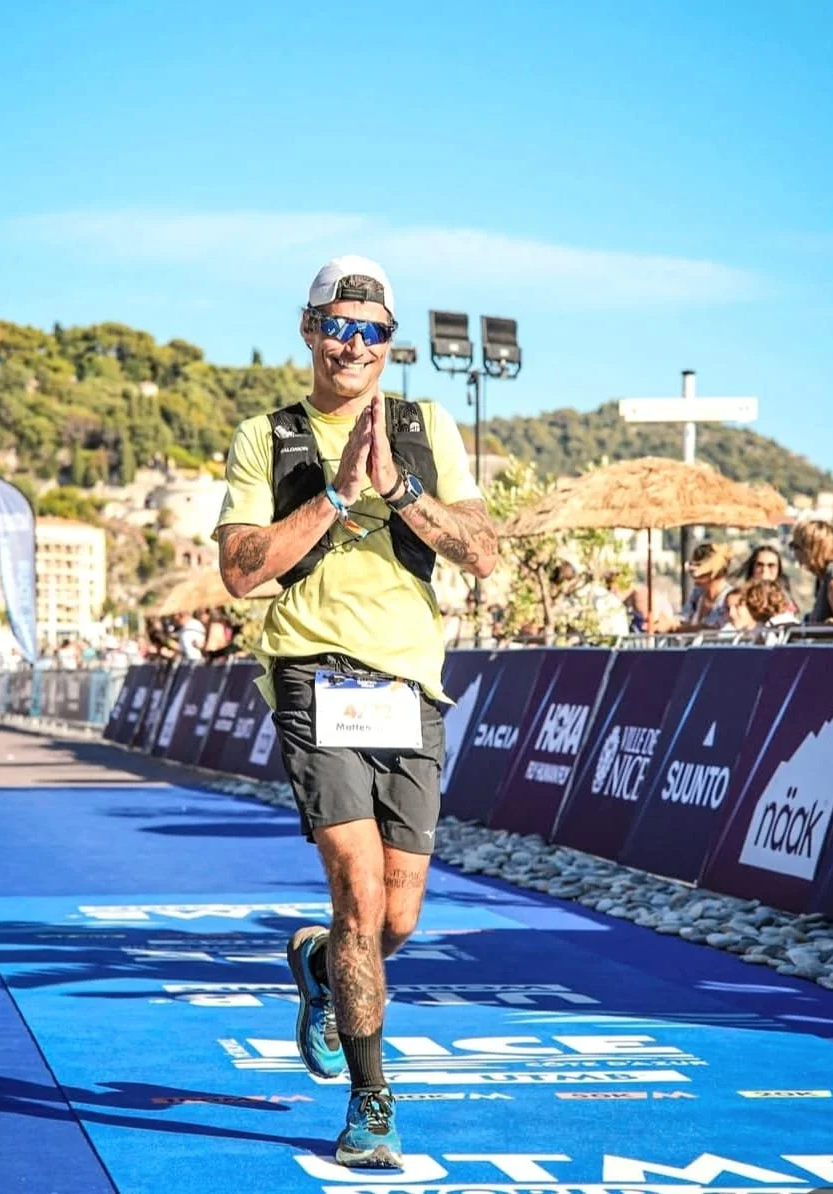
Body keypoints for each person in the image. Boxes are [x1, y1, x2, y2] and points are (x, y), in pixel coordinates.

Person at [213, 255, 497, 1168]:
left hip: (408, 680)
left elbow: (482, 553)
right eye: (336, 325)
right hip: (311, 671)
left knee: (400, 915)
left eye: (369, 331)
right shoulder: (267, 436)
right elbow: (241, 569)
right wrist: (336, 493)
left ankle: (322, 972)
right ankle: (372, 1106)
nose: (351, 343)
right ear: (307, 330)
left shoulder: (427, 428)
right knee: (358, 890)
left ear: (389, 345)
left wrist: (399, 489)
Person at [673, 541, 735, 631]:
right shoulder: (697, 593)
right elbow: (684, 618)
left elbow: (719, 631)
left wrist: (676, 628)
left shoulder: (730, 598)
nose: (693, 576)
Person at [739, 544, 798, 612]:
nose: (764, 570)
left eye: (771, 565)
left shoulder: (785, 602)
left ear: (778, 569)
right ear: (752, 568)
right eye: (760, 565)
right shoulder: (740, 600)